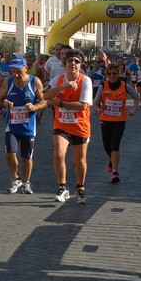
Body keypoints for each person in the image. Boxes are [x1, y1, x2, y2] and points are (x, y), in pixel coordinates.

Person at [43, 49, 93, 204]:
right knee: (58, 154)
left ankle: (80, 188)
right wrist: (63, 87)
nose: (73, 64)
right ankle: (62, 187)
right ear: (65, 64)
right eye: (70, 61)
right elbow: (45, 95)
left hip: (80, 125)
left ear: (81, 65)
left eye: (77, 61)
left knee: (80, 161)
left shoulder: (85, 81)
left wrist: (61, 103)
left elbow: (82, 106)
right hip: (61, 124)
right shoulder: (58, 79)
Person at [0, 55, 46, 194]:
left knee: (26, 157)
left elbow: (44, 101)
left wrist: (35, 107)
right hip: (12, 125)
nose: (16, 75)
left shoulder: (34, 81)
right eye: (13, 71)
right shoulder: (8, 82)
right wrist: (4, 103)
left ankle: (27, 182)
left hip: (28, 127)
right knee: (10, 153)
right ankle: (16, 178)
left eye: (19, 71)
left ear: (26, 68)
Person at [93, 62, 139, 183]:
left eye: (114, 73)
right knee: (106, 146)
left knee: (115, 146)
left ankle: (115, 172)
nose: (112, 75)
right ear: (106, 74)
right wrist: (98, 109)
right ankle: (112, 160)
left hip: (119, 121)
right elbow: (95, 102)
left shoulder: (125, 86)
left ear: (119, 74)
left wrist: (133, 109)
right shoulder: (103, 85)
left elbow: (136, 97)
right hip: (105, 120)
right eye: (109, 73)